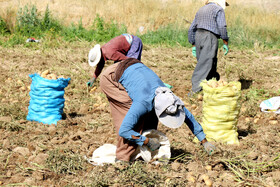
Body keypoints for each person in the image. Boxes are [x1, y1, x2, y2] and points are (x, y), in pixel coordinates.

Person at [99, 57, 216, 162]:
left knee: (150, 115)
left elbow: (188, 117)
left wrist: (204, 142)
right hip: (111, 78)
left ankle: (142, 149)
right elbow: (124, 130)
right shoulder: (143, 103)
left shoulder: (170, 99)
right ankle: (122, 158)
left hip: (133, 69)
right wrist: (146, 141)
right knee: (131, 117)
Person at [188, 0, 230, 95]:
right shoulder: (218, 9)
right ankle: (195, 90)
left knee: (208, 62)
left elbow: (191, 28)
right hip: (209, 36)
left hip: (198, 36)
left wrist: (193, 44)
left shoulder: (201, 9)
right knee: (205, 64)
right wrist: (225, 42)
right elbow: (222, 27)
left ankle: (210, 84)